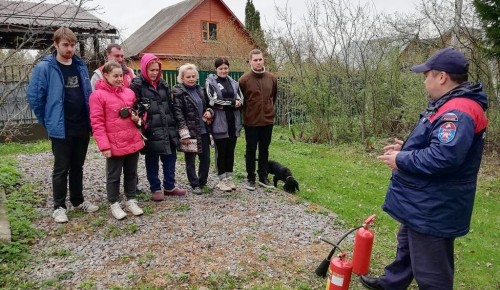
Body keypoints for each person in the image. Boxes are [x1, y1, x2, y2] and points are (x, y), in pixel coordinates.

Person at [361, 47, 488, 290]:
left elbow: (443, 158)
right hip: (423, 198)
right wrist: (405, 148)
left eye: (426, 75)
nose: (424, 81)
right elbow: (436, 143)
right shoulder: (447, 104)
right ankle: (391, 284)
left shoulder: (458, 111)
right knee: (408, 243)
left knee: (432, 270)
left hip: (435, 203)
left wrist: (401, 159)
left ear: (442, 77)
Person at [27, 27, 99, 223]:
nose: (70, 49)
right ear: (56, 44)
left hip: (81, 125)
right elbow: (35, 97)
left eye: (73, 45)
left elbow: (87, 95)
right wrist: (48, 121)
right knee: (61, 168)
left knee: (78, 166)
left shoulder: (80, 65)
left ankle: (77, 201)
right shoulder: (45, 67)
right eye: (65, 45)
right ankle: (59, 207)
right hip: (61, 127)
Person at [89, 61, 145, 220]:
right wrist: (104, 146)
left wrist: (136, 118)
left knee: (131, 172)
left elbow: (136, 113)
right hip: (113, 144)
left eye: (121, 75)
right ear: (105, 75)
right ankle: (114, 203)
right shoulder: (97, 96)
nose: (120, 78)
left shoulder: (129, 93)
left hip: (132, 140)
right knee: (113, 175)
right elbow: (97, 123)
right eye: (115, 76)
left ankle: (131, 199)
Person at [130, 54, 186, 201]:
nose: (154, 73)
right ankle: (155, 187)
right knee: (152, 160)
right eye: (151, 70)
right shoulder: (136, 85)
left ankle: (170, 186)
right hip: (151, 129)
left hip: (167, 126)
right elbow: (134, 107)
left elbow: (170, 105)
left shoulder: (163, 84)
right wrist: (143, 118)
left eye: (157, 69)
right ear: (144, 68)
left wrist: (175, 124)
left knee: (170, 157)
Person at [239, 49, 277, 191]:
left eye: (260, 59)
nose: (258, 62)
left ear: (263, 60)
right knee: (250, 150)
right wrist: (247, 114)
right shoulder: (244, 80)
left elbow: (273, 97)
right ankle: (250, 178)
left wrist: (269, 112)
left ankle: (263, 177)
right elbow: (241, 101)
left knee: (264, 149)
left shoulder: (272, 78)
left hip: (267, 121)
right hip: (251, 121)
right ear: (250, 61)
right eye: (255, 60)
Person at [172, 63, 213, 195]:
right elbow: (178, 114)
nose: (191, 79)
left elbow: (208, 105)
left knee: (205, 158)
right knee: (191, 160)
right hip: (189, 132)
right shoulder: (178, 92)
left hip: (203, 130)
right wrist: (184, 134)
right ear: (182, 78)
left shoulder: (200, 90)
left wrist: (209, 112)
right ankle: (194, 183)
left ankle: (202, 181)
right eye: (188, 76)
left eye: (193, 76)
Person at [205, 58, 244, 191]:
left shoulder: (233, 82)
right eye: (221, 68)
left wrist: (236, 102)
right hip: (219, 122)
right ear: (216, 69)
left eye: (226, 68)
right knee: (221, 151)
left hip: (233, 121)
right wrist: (231, 103)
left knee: (230, 151)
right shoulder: (211, 82)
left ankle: (229, 177)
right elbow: (213, 101)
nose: (223, 70)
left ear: (229, 68)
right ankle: (221, 179)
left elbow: (240, 98)